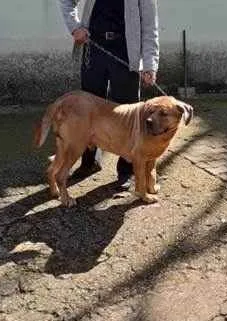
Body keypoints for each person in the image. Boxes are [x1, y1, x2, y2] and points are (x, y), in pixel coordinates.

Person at [58, 0, 159, 188]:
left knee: (128, 114)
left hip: (127, 52)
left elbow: (149, 24)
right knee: (87, 111)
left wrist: (149, 63)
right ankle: (89, 162)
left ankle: (127, 170)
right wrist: (75, 27)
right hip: (94, 48)